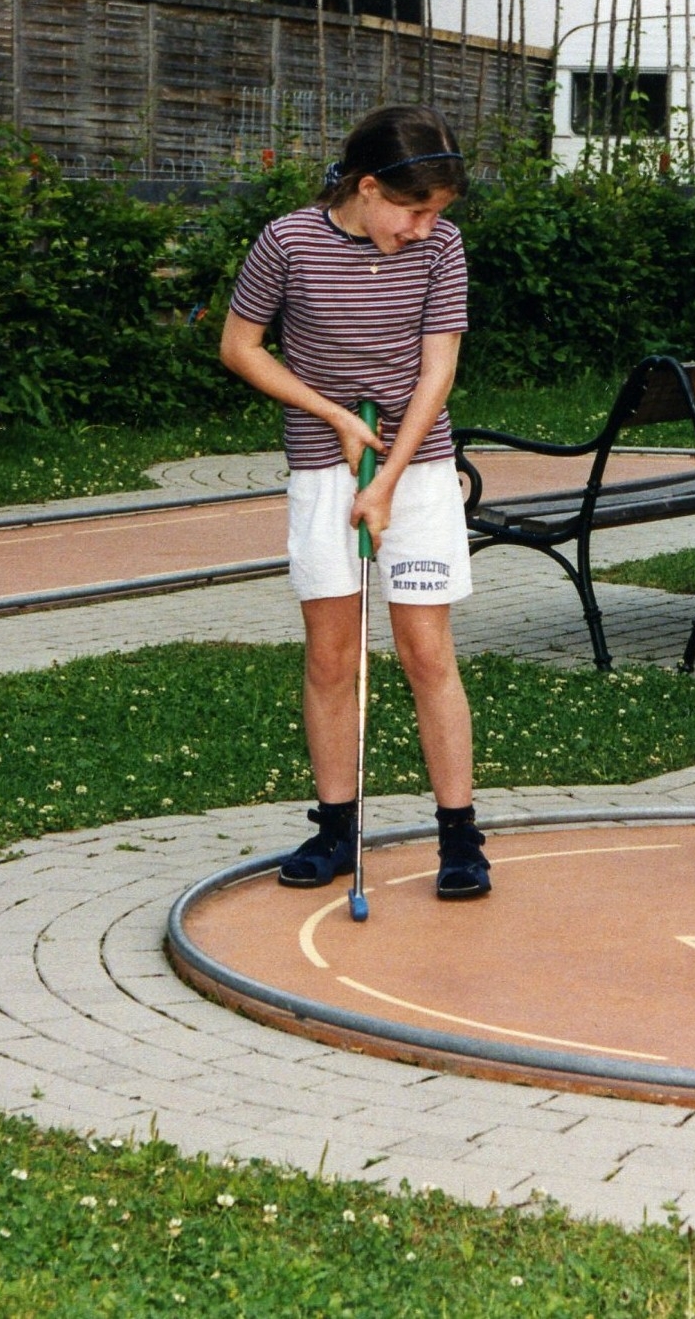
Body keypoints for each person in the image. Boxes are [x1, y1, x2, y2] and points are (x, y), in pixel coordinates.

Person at [219, 104, 491, 900]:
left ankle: (460, 836)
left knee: (426, 651)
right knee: (332, 654)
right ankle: (335, 828)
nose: (422, 228)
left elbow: (438, 370)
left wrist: (386, 479)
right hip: (321, 465)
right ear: (367, 187)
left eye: (435, 214)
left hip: (417, 465)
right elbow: (239, 347)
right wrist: (335, 417)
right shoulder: (287, 242)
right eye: (412, 211)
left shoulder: (442, 246)